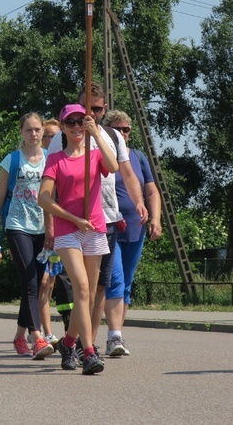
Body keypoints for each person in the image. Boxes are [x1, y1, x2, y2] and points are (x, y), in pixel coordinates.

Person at [47, 83, 148, 351]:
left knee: (97, 289)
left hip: (106, 218)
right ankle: (85, 346)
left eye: (95, 109)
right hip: (71, 223)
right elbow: (50, 186)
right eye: (84, 109)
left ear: (103, 109)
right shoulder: (62, 138)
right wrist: (50, 227)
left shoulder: (111, 137)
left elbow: (121, 170)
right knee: (81, 288)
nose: (88, 115)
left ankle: (80, 340)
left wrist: (138, 201)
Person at [38, 104, 119, 375]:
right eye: (70, 122)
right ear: (62, 127)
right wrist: (73, 219)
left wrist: (95, 133)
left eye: (80, 121)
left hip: (95, 227)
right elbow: (44, 198)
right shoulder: (56, 159)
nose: (75, 127)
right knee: (81, 288)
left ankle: (69, 342)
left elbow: (113, 166)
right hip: (68, 230)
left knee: (89, 295)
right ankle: (89, 352)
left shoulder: (94, 155)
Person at [0, 112, 54, 360]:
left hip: (43, 227)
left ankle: (18, 335)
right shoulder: (12, 160)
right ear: (21, 133)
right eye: (29, 130)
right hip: (17, 225)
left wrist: (53, 228)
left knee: (37, 284)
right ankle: (36, 338)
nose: (34, 134)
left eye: (38, 129)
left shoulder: (51, 159)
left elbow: (54, 198)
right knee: (29, 280)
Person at [102, 110, 162, 356]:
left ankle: (117, 336)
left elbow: (151, 191)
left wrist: (155, 219)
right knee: (114, 280)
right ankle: (113, 335)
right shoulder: (103, 155)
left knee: (126, 284)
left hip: (136, 229)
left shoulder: (138, 157)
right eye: (118, 129)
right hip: (110, 227)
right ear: (108, 131)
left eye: (126, 129)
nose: (124, 133)